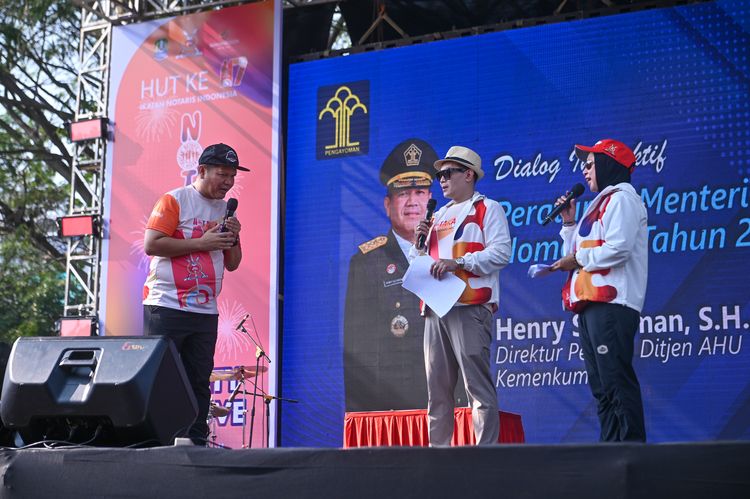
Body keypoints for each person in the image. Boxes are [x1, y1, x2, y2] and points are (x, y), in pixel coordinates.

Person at [344, 138, 467, 412]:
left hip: (446, 396)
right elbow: (357, 354)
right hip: (392, 405)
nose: (412, 202)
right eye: (403, 194)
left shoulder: (450, 251)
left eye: (420, 192)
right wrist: (363, 415)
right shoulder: (366, 263)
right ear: (388, 204)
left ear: (430, 200)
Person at [142, 142, 247, 445]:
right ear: (201, 170)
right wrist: (202, 243)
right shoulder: (175, 200)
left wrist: (234, 236)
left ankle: (196, 442)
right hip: (166, 305)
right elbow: (152, 244)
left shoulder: (225, 210)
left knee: (199, 380)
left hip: (205, 310)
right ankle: (156, 442)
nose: (228, 182)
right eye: (222, 174)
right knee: (161, 377)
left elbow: (233, 263)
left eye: (232, 176)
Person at [412, 145, 511, 446]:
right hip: (435, 308)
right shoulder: (438, 215)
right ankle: (438, 456)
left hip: (470, 305)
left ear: (469, 175)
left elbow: (501, 253)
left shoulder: (488, 208)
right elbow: (423, 264)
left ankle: (485, 456)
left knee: (476, 387)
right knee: (437, 390)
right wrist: (417, 245)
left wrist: (460, 262)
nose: (442, 180)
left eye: (448, 173)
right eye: (439, 175)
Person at [550, 138, 648, 442]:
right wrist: (569, 224)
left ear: (608, 164)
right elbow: (577, 255)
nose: (585, 170)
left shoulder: (623, 199)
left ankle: (631, 452)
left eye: (590, 164)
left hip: (613, 304)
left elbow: (618, 249)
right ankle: (610, 452)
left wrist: (578, 258)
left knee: (615, 380)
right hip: (591, 304)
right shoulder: (600, 203)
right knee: (602, 388)